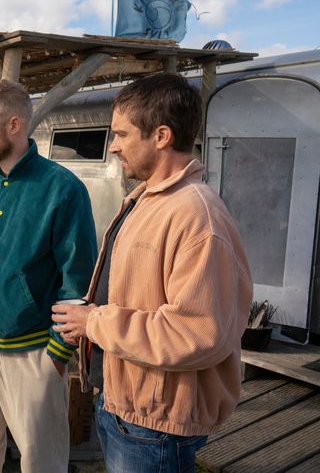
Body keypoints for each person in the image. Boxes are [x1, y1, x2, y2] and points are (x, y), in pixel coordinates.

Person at [52, 73, 253, 473]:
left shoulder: (196, 216)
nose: (113, 147)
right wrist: (89, 323)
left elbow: (197, 334)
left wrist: (96, 321)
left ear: (161, 136)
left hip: (155, 425)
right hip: (125, 404)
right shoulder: (148, 198)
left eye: (122, 135)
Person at [0, 79, 97, 472]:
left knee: (42, 463)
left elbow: (77, 280)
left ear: (14, 125)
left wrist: (57, 356)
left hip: (32, 356)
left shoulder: (63, 190)